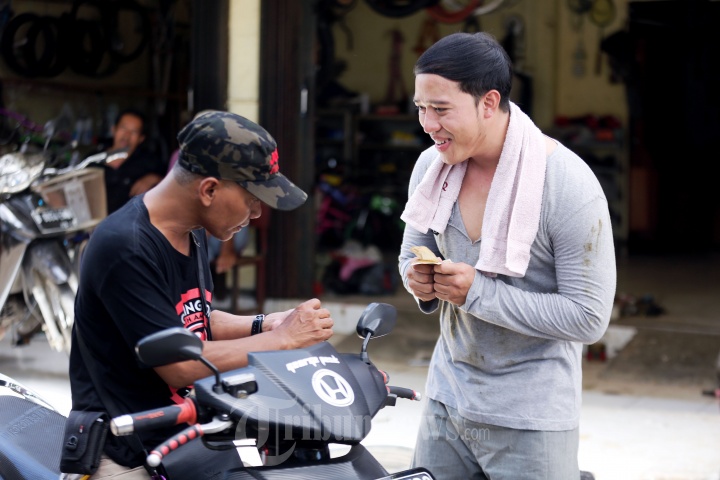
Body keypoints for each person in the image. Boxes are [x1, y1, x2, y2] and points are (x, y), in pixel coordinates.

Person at [69, 110, 334, 478]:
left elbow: (193, 317)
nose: (257, 212)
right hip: (128, 451)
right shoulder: (126, 246)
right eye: (252, 198)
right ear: (209, 190)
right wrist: (283, 339)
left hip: (187, 434)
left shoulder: (191, 231)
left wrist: (265, 324)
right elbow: (180, 365)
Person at [398, 32, 616, 480]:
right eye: (421, 108)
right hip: (446, 400)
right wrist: (418, 280)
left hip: (531, 417)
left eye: (441, 109)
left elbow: (588, 318)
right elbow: (409, 254)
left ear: (488, 102)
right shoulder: (432, 166)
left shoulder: (567, 184)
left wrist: (476, 293)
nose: (428, 124)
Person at [102, 108, 167, 214]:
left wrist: (156, 179)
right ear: (113, 130)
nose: (127, 136)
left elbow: (170, 187)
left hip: (131, 222)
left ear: (141, 138)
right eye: (123, 128)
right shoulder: (92, 160)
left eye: (134, 132)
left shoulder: (150, 163)